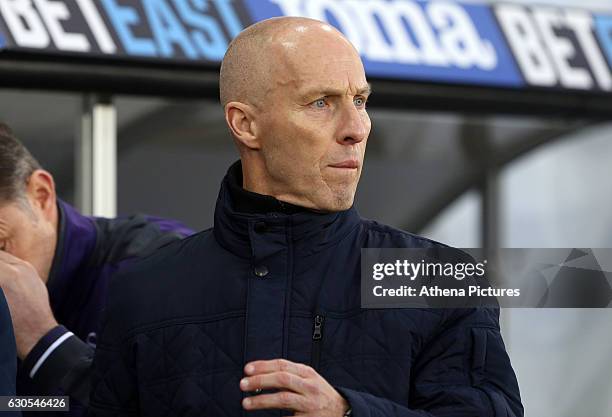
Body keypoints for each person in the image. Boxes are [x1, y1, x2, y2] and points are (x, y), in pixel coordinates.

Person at [89, 17, 523, 416]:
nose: (357, 128)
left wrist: (348, 412)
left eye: (360, 100)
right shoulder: (144, 293)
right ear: (245, 125)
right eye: (320, 103)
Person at [0, 123, 193, 416]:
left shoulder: (157, 263)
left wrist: (43, 339)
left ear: (40, 195)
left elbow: (172, 406)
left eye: (1, 246)